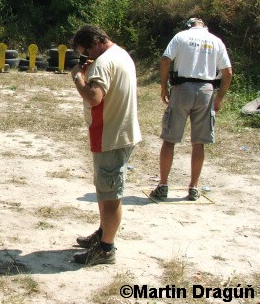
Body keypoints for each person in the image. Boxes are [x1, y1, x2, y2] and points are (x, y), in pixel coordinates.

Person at [70, 25, 141, 266]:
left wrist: (78, 77)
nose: (87, 57)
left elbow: (94, 97)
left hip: (110, 136)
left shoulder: (102, 63)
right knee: (105, 189)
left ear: (95, 43)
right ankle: (103, 234)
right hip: (121, 132)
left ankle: (106, 249)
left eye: (86, 51)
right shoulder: (121, 54)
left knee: (110, 195)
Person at [150, 18, 232, 201]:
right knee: (199, 142)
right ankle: (193, 188)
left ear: (188, 26)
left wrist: (164, 86)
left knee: (170, 139)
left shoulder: (181, 36)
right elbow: (228, 72)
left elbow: (165, 61)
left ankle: (163, 185)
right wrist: (219, 98)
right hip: (206, 91)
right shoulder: (216, 40)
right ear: (204, 26)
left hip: (182, 88)